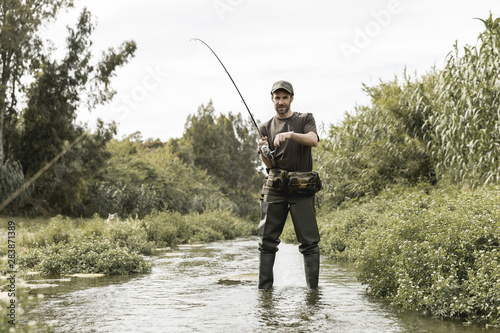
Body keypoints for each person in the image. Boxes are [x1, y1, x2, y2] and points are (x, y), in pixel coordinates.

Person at [257, 80, 321, 290]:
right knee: (266, 243)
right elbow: (269, 164)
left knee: (310, 244)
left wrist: (290, 134)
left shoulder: (305, 119)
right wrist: (264, 151)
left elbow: (313, 140)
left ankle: (313, 294)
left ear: (292, 98)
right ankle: (264, 293)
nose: (281, 102)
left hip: (301, 189)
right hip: (275, 188)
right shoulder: (265, 127)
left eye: (285, 97)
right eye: (278, 98)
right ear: (272, 99)